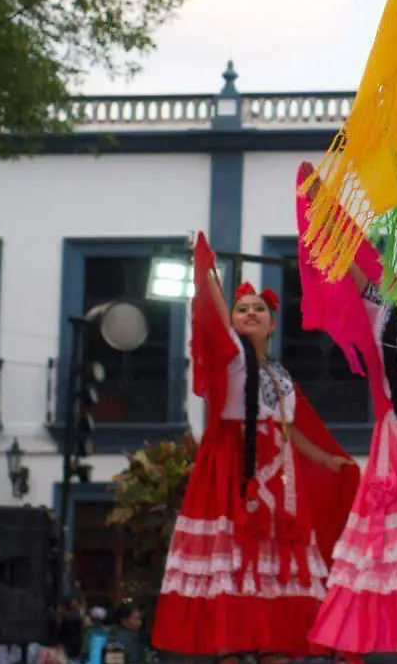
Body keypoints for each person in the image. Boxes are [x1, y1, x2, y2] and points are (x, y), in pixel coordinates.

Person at [150, 239, 358, 662]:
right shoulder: (231, 359)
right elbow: (211, 317)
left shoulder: (280, 376)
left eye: (258, 309)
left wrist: (327, 460)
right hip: (235, 476)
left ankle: (274, 650)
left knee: (275, 580)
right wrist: (207, 273)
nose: (250, 314)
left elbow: (292, 431)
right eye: (242, 309)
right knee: (234, 567)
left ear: (272, 323)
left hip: (280, 485)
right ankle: (231, 653)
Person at [304, 171, 397, 663]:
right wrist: (321, 204)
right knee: (390, 549)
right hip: (396, 441)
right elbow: (342, 254)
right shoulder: (382, 306)